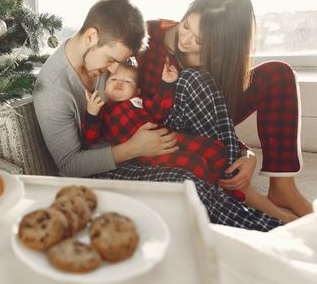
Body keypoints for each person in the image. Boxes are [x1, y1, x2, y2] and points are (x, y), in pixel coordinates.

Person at [33, 0, 283, 231]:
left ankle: (232, 177)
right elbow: (69, 165)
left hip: (143, 132)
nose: (114, 69)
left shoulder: (113, 59)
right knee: (187, 185)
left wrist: (244, 151)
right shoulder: (53, 90)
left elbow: (152, 106)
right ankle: (274, 232)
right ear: (90, 36)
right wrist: (134, 148)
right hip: (110, 165)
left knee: (195, 79)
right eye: (110, 60)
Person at [136, 0, 312, 218]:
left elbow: (214, 110)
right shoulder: (147, 38)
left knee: (278, 73)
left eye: (199, 40)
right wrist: (239, 151)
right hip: (170, 122)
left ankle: (283, 187)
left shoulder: (221, 56)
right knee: (194, 79)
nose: (185, 39)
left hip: (213, 119)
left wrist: (246, 154)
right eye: (186, 25)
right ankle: (247, 192)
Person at [82, 61, 292, 222]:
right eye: (113, 80)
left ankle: (224, 181)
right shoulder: (104, 111)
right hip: (150, 154)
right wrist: (91, 113)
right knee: (193, 164)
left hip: (168, 136)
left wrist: (167, 83)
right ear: (104, 87)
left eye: (126, 82)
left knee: (214, 150)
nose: (119, 83)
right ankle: (214, 188)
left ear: (136, 91)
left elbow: (160, 108)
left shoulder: (139, 103)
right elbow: (90, 138)